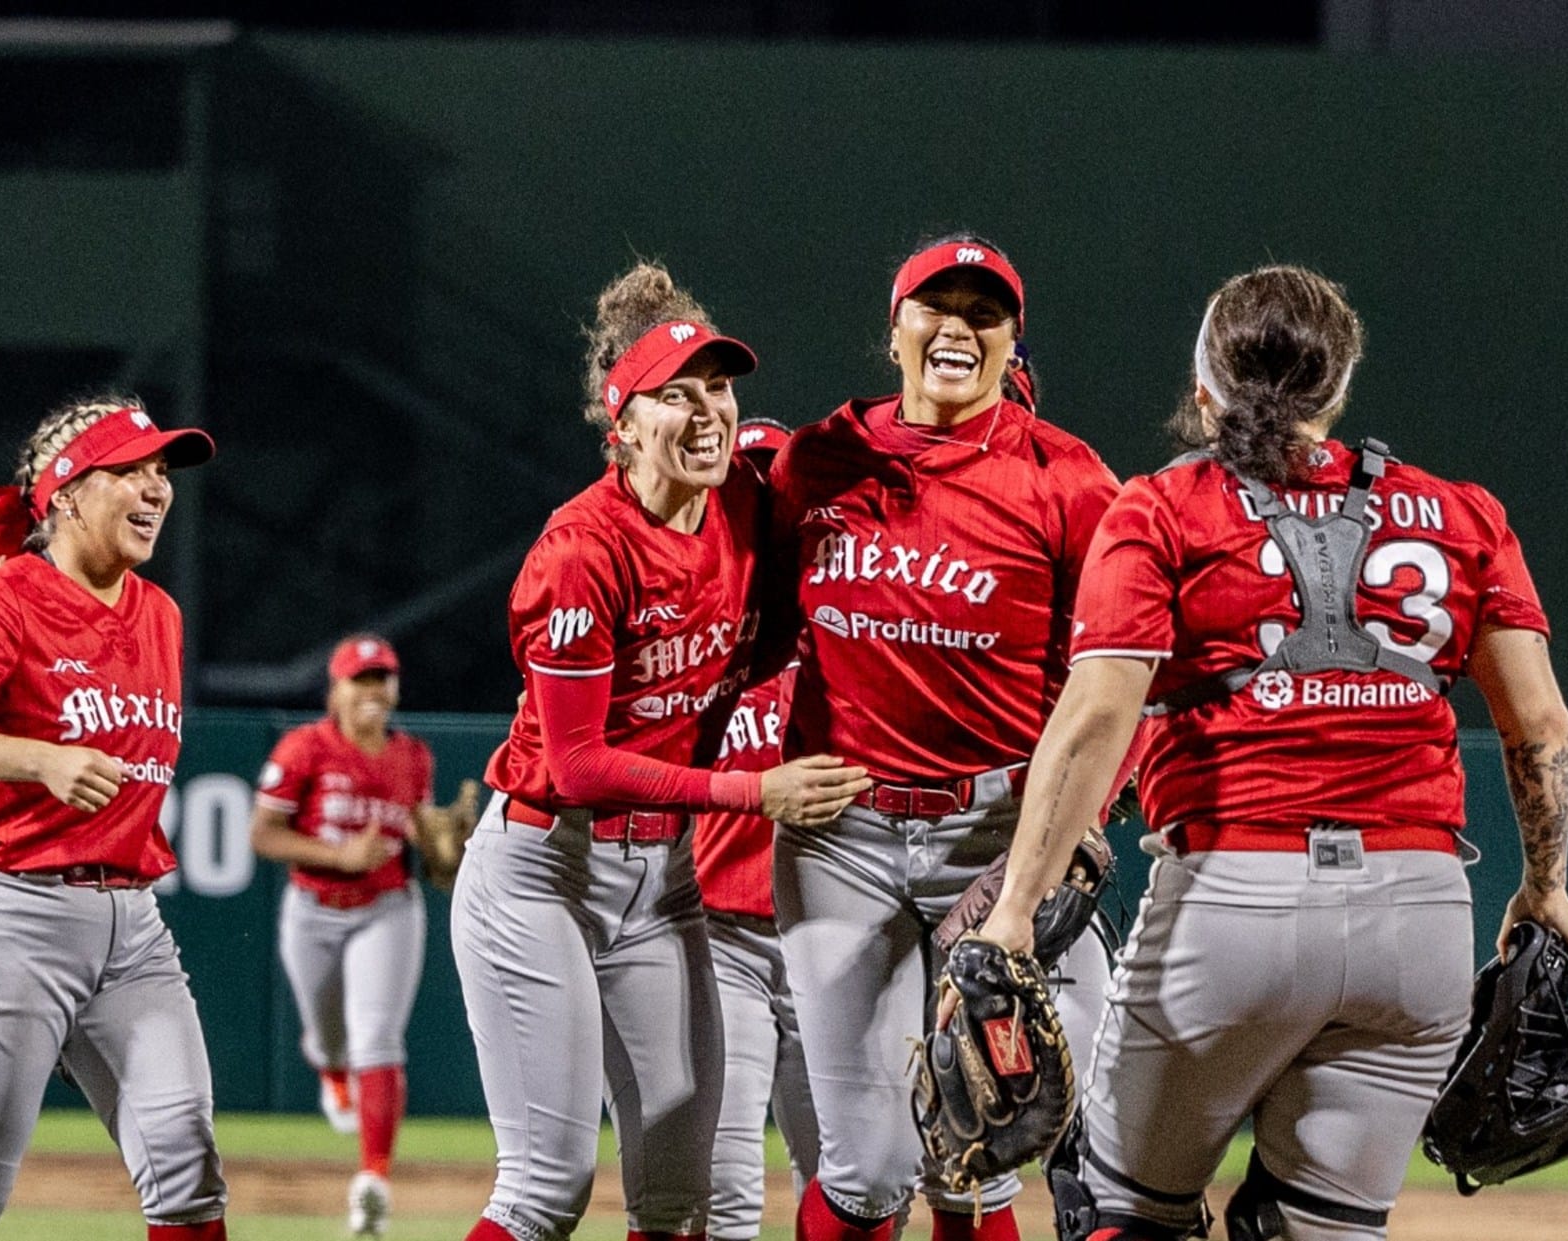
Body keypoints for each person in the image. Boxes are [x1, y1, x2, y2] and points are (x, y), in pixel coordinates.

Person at [974, 264, 1568, 1241]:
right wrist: (1546, 882)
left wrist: (1012, 913)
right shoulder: (1462, 512)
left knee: (1120, 1206)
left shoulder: (1164, 506)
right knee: (1325, 1226)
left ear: (1204, 385)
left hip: (1235, 900)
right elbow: (1541, 727)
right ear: (1338, 388)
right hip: (1420, 916)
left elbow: (1097, 717)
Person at [451, 263, 871, 1241]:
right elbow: (581, 766)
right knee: (545, 1188)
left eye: (718, 388)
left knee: (678, 1198)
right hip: (544, 869)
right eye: (673, 396)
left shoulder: (745, 515)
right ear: (623, 423)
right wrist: (752, 788)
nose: (706, 413)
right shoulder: (582, 552)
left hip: (664, 875)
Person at [766, 236, 1126, 1241]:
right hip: (843, 837)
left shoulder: (1071, 482)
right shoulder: (816, 460)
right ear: (895, 330)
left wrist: (1080, 823)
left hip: (1005, 834)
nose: (958, 324)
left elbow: (1130, 679)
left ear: (1015, 344)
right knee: (870, 1168)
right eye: (936, 304)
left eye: (986, 310)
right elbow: (747, 630)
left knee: (1043, 1139)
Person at [0, 397, 228, 1241]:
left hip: (132, 927)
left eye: (162, 473)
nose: (157, 488)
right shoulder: (2, 599)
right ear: (67, 492)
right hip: (10, 918)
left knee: (187, 1172)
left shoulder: (160, 615)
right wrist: (40, 757)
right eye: (132, 470)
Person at [250, 632, 483, 1236]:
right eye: (362, 680)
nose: (374, 692)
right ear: (337, 689)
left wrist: (445, 853)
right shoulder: (304, 748)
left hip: (387, 908)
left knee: (377, 1036)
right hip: (314, 907)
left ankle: (373, 1179)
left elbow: (426, 840)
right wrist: (338, 854)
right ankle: (331, 1071)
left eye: (383, 679)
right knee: (331, 1040)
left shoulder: (414, 757)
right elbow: (263, 835)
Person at [690, 419, 821, 1241]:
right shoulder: (699, 625)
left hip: (828, 934)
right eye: (753, 480)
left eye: (780, 482)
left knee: (854, 1181)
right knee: (726, 1191)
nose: (767, 497)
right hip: (719, 935)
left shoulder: (849, 623)